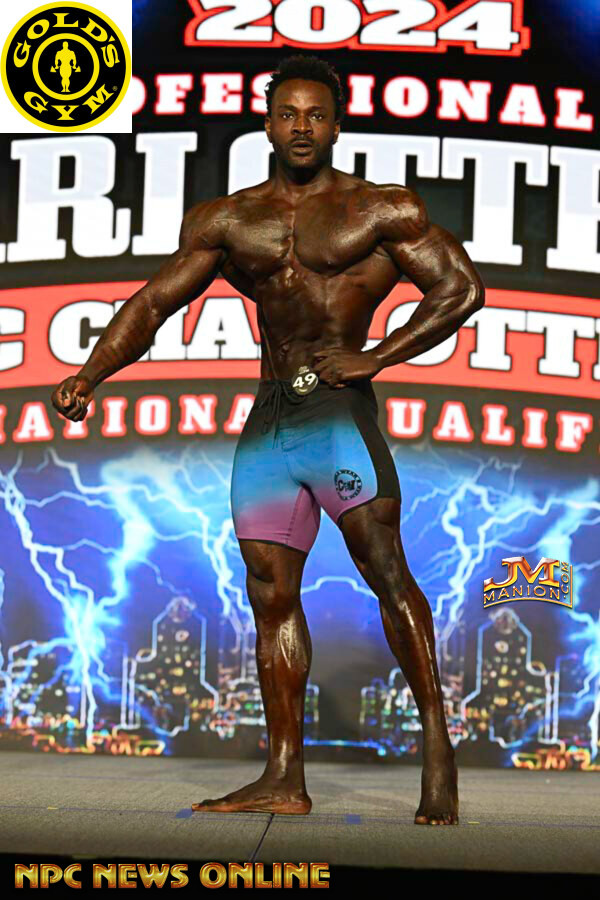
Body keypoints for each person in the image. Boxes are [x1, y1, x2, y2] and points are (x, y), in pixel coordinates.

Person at [51, 54, 485, 825]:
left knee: (386, 571)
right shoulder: (229, 221)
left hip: (339, 416)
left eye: (316, 115)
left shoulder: (380, 210)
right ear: (268, 124)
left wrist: (378, 356)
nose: (301, 127)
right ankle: (284, 775)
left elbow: (462, 288)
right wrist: (91, 373)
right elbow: (152, 305)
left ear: (337, 125)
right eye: (289, 114)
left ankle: (437, 746)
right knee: (269, 593)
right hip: (271, 421)